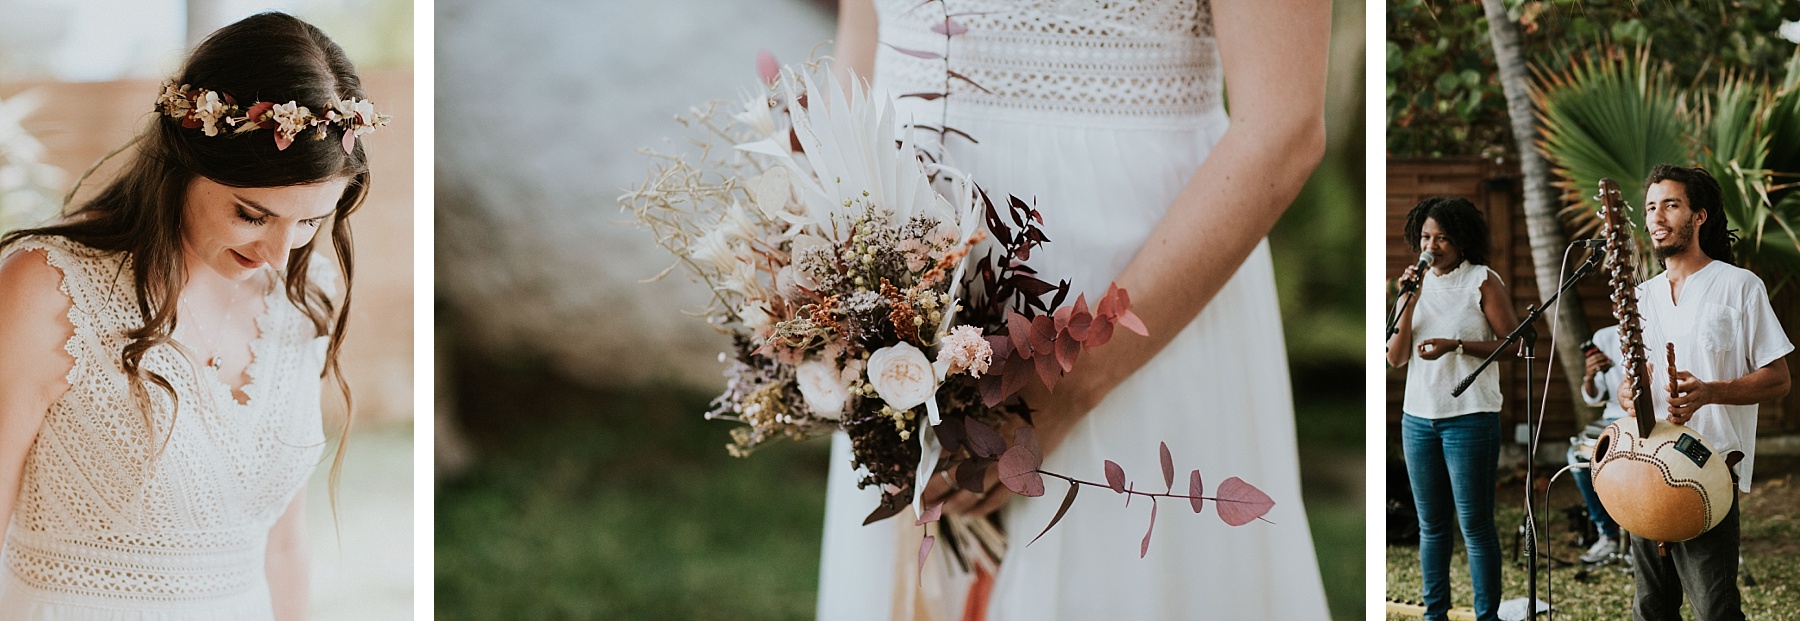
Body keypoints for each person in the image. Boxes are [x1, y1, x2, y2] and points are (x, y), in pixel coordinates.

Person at [815, 0, 1332, 619]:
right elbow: (864, 37)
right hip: (899, 290)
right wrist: (832, 278)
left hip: (1134, 304)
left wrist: (1066, 381)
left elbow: (1284, 126)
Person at [0, 12, 388, 620]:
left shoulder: (304, 288)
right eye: (251, 215)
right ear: (181, 163)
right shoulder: (49, 288)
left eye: (311, 222)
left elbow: (284, 547)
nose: (277, 254)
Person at [1623, 164, 1791, 621]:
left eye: (1671, 205)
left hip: (1709, 468)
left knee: (1714, 608)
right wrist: (1627, 393)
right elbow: (1635, 384)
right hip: (1644, 467)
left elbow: (1778, 378)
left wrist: (1711, 392)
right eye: (1651, 207)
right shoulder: (1642, 297)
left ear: (1699, 216)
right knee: (1650, 608)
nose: (1657, 216)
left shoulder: (1740, 286)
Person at [1385, 196, 1518, 621]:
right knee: (1431, 526)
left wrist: (1456, 346)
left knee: (1475, 526)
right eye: (1425, 237)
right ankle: (1434, 614)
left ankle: (1487, 616)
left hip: (1471, 418)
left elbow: (1512, 343)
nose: (1432, 246)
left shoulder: (1482, 280)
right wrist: (1410, 298)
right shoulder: (1412, 287)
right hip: (1419, 419)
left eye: (1442, 238)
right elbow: (1395, 357)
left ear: (1462, 241)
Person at [1571, 325, 1626, 563]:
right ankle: (1607, 534)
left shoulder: (1661, 325)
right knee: (1577, 459)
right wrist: (1590, 376)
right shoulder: (1603, 337)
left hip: (1652, 414)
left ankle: (1641, 538)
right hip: (1613, 415)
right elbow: (1593, 396)